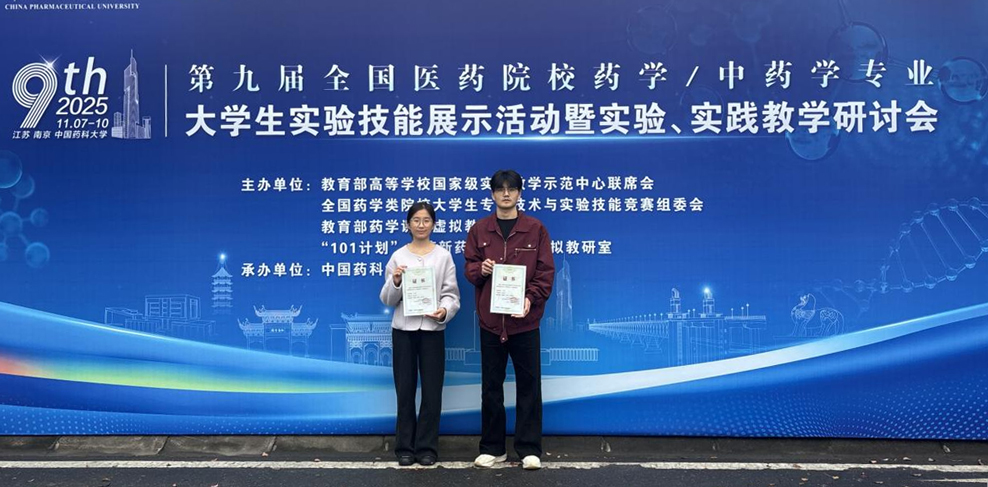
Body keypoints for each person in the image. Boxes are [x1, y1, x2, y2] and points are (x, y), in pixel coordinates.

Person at [464, 169, 555, 471]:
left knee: (529, 386)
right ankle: (493, 448)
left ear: (519, 193)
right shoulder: (480, 229)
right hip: (491, 322)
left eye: (511, 189)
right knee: (491, 387)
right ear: (492, 194)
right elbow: (469, 268)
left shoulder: (535, 229)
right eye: (500, 189)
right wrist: (481, 270)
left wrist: (530, 299)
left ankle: (529, 449)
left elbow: (545, 272)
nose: (506, 194)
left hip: (524, 322)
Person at [380, 201, 460, 466]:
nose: (421, 225)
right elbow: (387, 299)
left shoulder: (443, 256)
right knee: (404, 390)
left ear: (434, 224)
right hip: (403, 331)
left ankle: (427, 447)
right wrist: (396, 281)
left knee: (432, 391)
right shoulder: (398, 256)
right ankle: (405, 447)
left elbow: (452, 295)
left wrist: (444, 311)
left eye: (426, 220)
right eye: (416, 220)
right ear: (408, 224)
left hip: (432, 330)